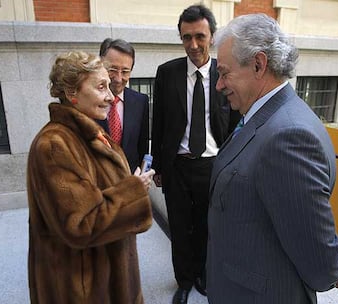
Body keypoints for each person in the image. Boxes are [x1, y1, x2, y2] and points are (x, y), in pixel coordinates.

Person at [206, 13, 338, 304]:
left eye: (224, 72)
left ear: (259, 64)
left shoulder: (288, 137)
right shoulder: (265, 114)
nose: (219, 85)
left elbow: (319, 258)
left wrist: (332, 268)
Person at [26, 51, 155, 304]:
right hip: (83, 289)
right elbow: (81, 224)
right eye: (101, 87)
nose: (110, 96)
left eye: (109, 86)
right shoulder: (54, 146)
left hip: (108, 281)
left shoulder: (90, 134)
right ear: (72, 93)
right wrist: (133, 191)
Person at [151, 4, 239, 304]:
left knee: (206, 225)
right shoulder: (167, 73)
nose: (193, 45)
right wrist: (159, 166)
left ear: (211, 36)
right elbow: (158, 122)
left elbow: (236, 121)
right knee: (179, 225)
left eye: (199, 36)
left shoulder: (224, 74)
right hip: (177, 165)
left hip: (214, 165)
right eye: (186, 37)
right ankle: (184, 281)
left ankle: (202, 274)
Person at [96, 38, 149, 172]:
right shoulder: (89, 102)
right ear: (100, 65)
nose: (119, 78)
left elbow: (142, 148)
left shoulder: (140, 102)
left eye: (125, 71)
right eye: (112, 70)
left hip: (130, 181)